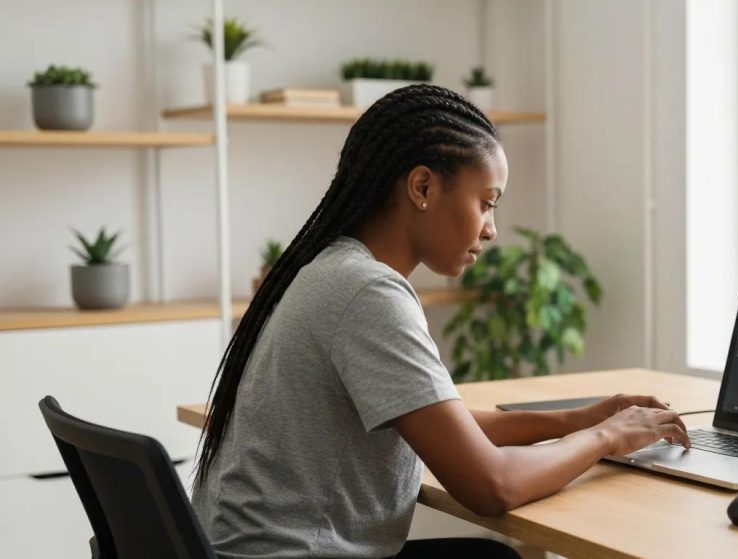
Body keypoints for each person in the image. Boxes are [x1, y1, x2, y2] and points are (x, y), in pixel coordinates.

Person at [191, 84, 690, 558]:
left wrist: (578, 420)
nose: (491, 229)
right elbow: (492, 485)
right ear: (423, 186)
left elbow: (439, 423)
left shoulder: (333, 269)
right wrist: (610, 437)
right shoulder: (369, 292)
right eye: (487, 203)